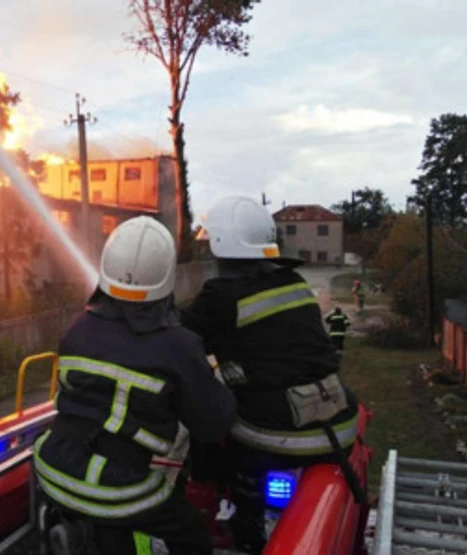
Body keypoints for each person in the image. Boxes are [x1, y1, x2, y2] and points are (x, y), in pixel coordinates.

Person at [35, 216, 237, 555]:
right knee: (190, 531)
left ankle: (80, 537)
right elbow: (212, 424)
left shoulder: (77, 328)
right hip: (115, 486)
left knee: (115, 518)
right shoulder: (178, 345)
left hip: (53, 467)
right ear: (167, 278)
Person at [182, 195, 361, 553]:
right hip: (336, 421)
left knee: (205, 414)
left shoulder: (221, 295)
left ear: (221, 245)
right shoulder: (293, 280)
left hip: (280, 434)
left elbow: (178, 340)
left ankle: (230, 516)